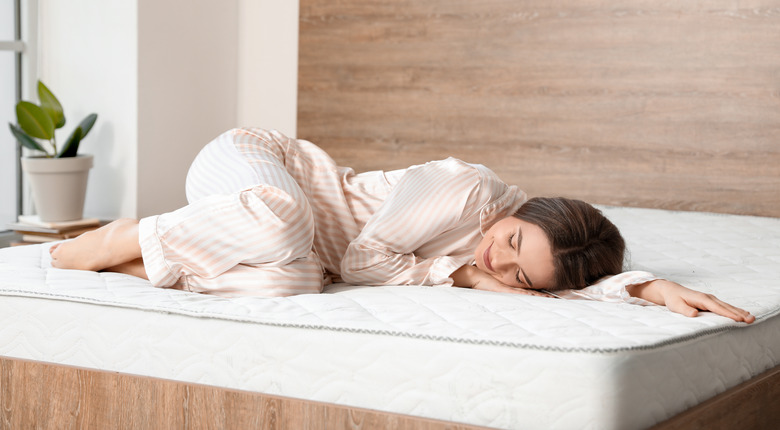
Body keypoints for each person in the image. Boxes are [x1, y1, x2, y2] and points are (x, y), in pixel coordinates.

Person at [49, 128, 754, 323]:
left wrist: (652, 288)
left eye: (517, 274)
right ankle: (121, 234)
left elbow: (560, 285)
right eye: (511, 242)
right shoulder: (467, 188)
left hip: (291, 244)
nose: (497, 260)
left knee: (291, 281)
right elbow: (363, 263)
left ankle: (132, 251)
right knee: (288, 227)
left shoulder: (530, 263)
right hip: (257, 168)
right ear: (520, 211)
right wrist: (472, 274)